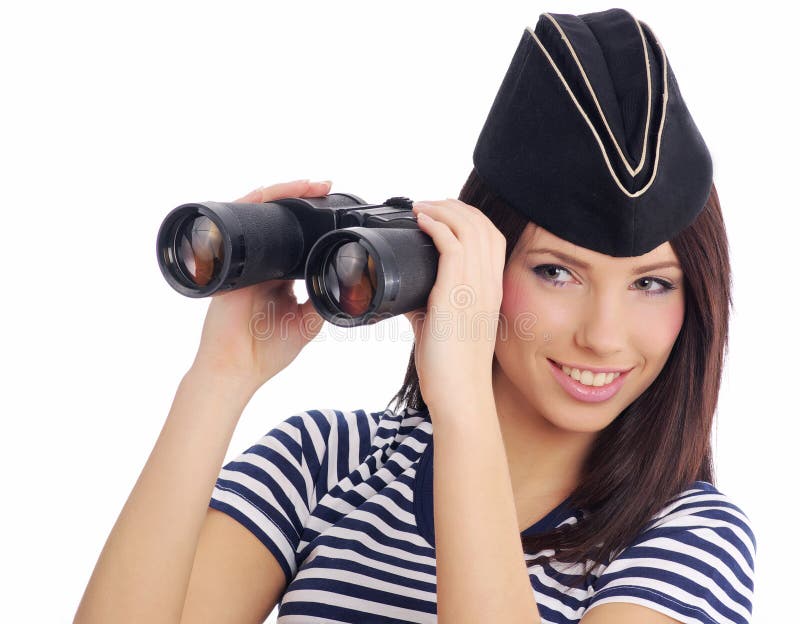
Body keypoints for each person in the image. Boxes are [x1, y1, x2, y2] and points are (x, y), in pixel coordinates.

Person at [74, 8, 755, 624]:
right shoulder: (324, 465)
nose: (603, 336)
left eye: (652, 284)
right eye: (556, 272)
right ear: (474, 264)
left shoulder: (691, 539)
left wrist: (461, 405)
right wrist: (219, 378)